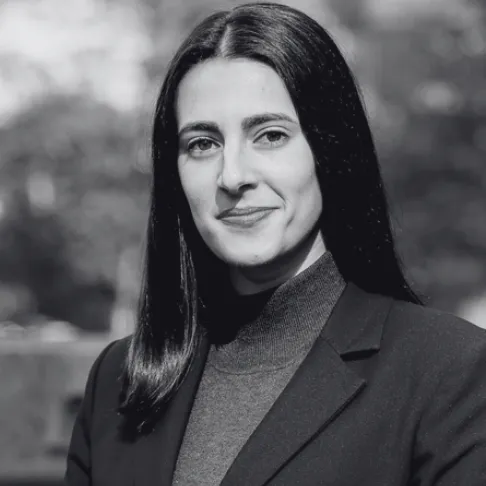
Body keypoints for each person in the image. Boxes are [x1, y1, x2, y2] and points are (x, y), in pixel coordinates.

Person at [65, 3, 486, 485]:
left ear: (330, 149)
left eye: (269, 135)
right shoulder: (117, 383)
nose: (232, 176)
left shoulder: (449, 371)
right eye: (202, 144)